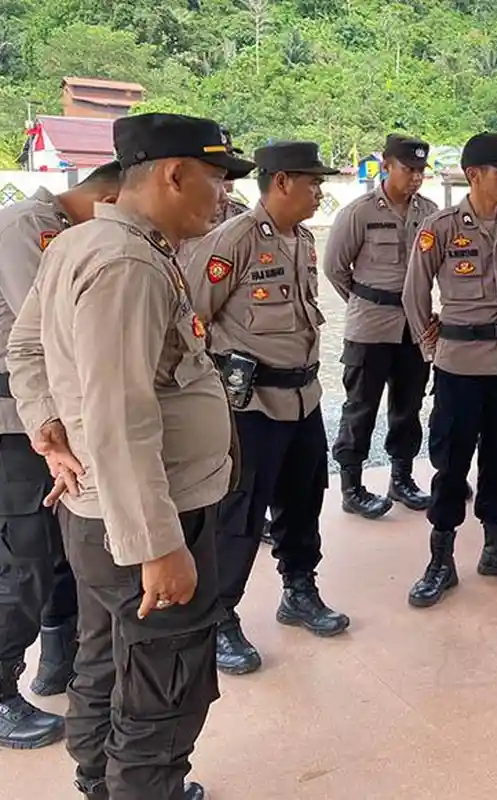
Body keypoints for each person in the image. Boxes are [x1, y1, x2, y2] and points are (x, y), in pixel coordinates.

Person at [7, 111, 251, 799]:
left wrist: (46, 426)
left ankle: (99, 782)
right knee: (164, 689)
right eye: (215, 178)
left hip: (99, 509)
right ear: (174, 174)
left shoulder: (83, 244)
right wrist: (157, 545)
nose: (223, 195)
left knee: (105, 660)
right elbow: (120, 415)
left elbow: (25, 349)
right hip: (149, 514)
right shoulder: (125, 263)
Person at [185, 141, 348, 676]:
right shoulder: (232, 242)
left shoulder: (300, 240)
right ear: (281, 182)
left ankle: (299, 590)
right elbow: (192, 322)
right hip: (251, 406)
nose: (318, 192)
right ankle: (220, 617)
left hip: (302, 400)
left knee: (304, 501)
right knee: (240, 516)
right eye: (312, 182)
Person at [0, 161, 122, 751]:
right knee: (22, 558)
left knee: (57, 548)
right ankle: (0, 693)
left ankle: (56, 660)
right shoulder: (30, 225)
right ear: (107, 196)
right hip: (15, 422)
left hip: (44, 417)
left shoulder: (66, 228)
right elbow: (54, 328)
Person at [402, 132, 497, 608]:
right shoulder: (439, 228)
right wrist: (432, 350)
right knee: (452, 462)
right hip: (458, 366)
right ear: (475, 175)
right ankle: (440, 557)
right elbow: (414, 296)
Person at [324, 135, 439, 518]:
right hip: (369, 328)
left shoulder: (431, 213)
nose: (416, 178)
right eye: (409, 169)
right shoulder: (358, 212)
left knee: (408, 407)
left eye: (421, 171)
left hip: (414, 329)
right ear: (386, 166)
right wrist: (366, 300)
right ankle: (352, 487)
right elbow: (335, 269)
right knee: (361, 408)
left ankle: (401, 479)